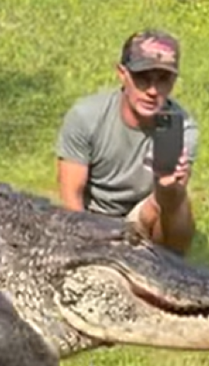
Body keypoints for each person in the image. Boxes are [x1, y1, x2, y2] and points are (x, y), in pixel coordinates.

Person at [54, 29, 200, 256]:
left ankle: (166, 265)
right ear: (122, 74)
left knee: (178, 204)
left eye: (163, 80)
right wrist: (85, 243)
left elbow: (170, 211)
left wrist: (168, 188)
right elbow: (71, 196)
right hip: (93, 217)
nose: (152, 91)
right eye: (142, 78)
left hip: (144, 215)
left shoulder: (182, 128)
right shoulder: (86, 116)